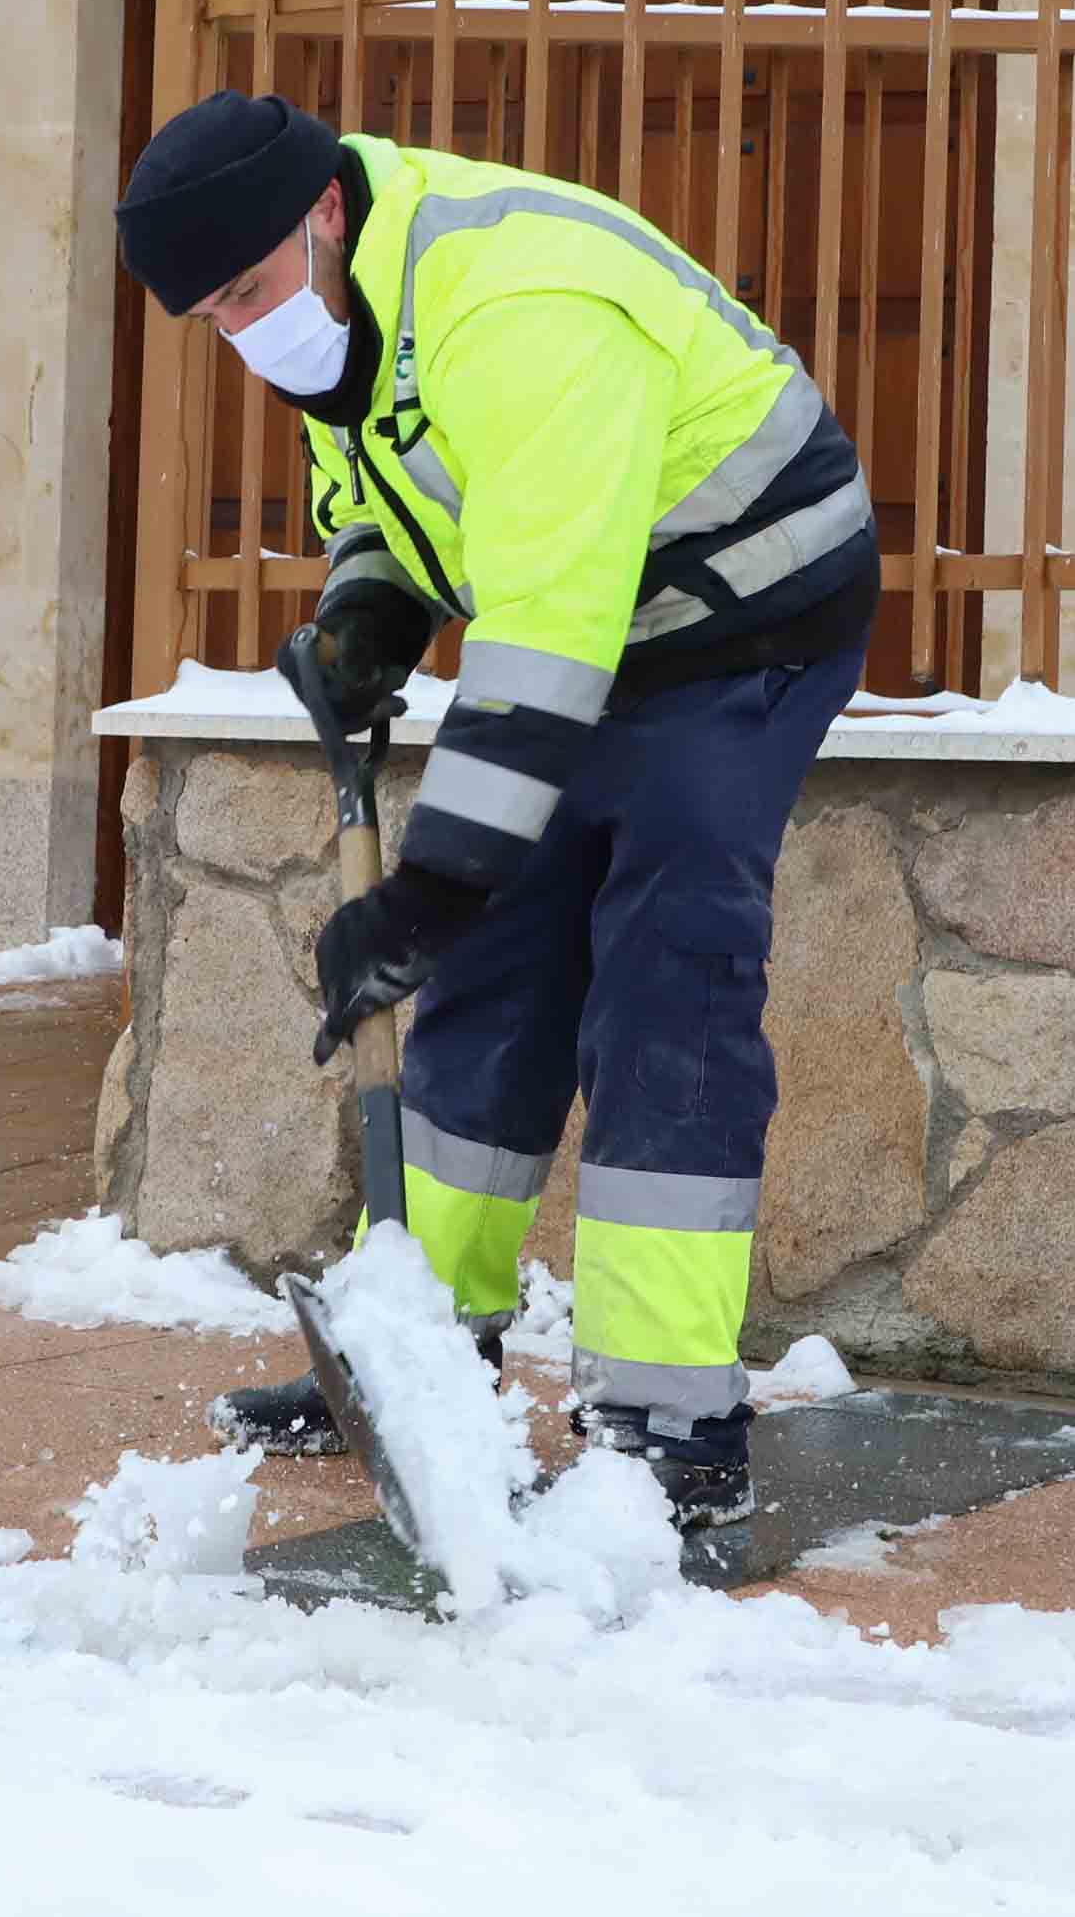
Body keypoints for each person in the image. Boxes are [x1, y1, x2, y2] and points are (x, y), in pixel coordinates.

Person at [118, 88, 875, 1527]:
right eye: (212, 316)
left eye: (249, 292)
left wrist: (430, 889)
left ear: (322, 211)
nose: (244, 331)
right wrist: (369, 616)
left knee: (666, 979)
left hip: (742, 617)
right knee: (492, 981)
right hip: (590, 618)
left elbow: (543, 631)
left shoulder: (520, 304)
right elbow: (394, 496)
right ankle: (418, 1351)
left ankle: (669, 1419)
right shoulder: (349, 305)